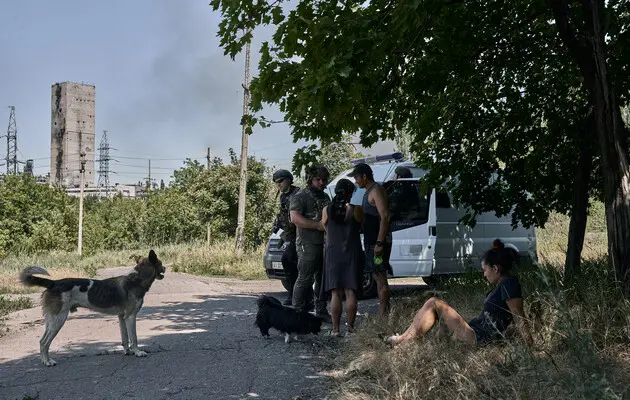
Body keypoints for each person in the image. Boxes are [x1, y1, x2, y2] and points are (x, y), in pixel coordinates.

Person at [385, 247, 532, 346]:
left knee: (434, 302)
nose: (484, 274)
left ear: (495, 268)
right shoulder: (502, 286)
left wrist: (530, 347)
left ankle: (402, 341)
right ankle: (425, 346)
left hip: (478, 337)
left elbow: (519, 317)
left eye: (485, 270)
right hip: (475, 331)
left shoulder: (509, 285)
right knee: (442, 321)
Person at [320, 179, 363, 337]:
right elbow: (361, 226)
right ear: (350, 193)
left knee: (335, 293)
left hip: (333, 253)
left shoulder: (326, 210)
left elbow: (324, 226)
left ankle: (335, 329)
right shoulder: (356, 210)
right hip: (352, 252)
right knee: (350, 291)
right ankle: (350, 329)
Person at [289, 165, 332, 320]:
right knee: (305, 278)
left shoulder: (326, 197)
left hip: (325, 243)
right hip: (307, 244)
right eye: (317, 179)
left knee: (322, 278)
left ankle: (321, 310)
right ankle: (297, 313)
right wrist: (317, 225)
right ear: (310, 179)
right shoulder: (300, 196)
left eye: (324, 179)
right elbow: (295, 218)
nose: (321, 182)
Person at [349, 163, 391, 316]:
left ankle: (384, 315)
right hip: (371, 241)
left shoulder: (377, 190)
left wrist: (380, 242)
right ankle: (384, 312)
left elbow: (385, 216)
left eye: (356, 177)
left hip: (377, 242)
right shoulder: (367, 192)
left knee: (380, 278)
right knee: (376, 276)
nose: (356, 181)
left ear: (364, 176)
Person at [271, 169, 300, 305]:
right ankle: (293, 295)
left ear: (288, 179)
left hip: (302, 234)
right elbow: (283, 214)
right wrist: (279, 227)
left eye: (280, 181)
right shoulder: (283, 196)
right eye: (277, 183)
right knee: (289, 262)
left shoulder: (299, 194)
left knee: (288, 260)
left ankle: (297, 296)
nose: (279, 185)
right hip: (291, 235)